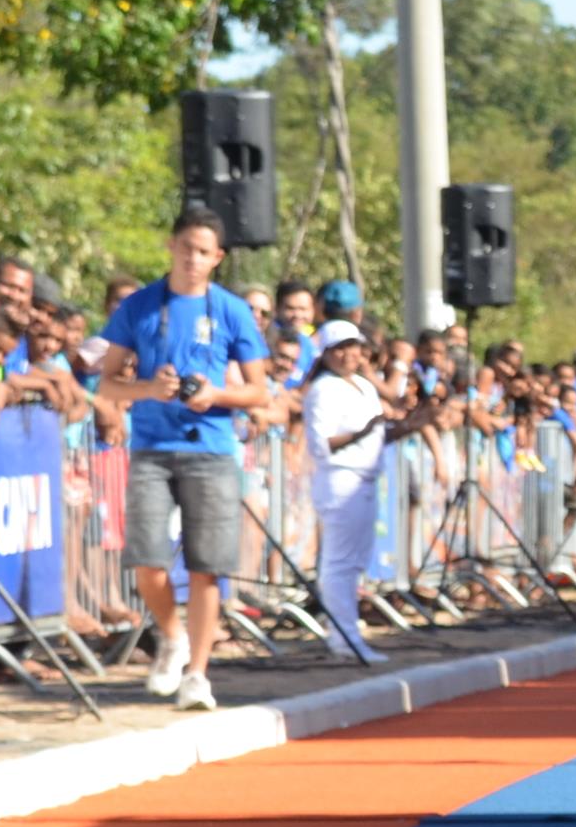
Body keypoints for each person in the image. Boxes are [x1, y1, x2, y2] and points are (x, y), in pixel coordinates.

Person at [92, 207, 271, 712]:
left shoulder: (232, 310)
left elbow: (258, 390)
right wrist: (149, 387)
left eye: (203, 251)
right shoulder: (141, 306)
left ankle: (197, 673)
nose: (192, 258)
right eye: (185, 247)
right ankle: (171, 635)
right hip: (151, 445)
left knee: (205, 567)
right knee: (146, 559)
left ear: (217, 258)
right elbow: (106, 381)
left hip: (210, 447)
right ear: (171, 246)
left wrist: (214, 394)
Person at [300, 320, 394, 658]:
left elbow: (378, 433)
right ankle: (343, 637)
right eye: (340, 347)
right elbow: (322, 444)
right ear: (325, 353)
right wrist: (363, 430)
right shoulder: (323, 389)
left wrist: (412, 423)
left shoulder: (365, 386)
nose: (348, 353)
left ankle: (347, 632)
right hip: (340, 479)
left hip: (366, 477)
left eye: (353, 346)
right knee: (339, 563)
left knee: (355, 562)